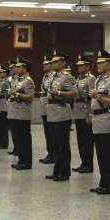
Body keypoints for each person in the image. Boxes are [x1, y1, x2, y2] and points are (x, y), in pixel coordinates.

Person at [88, 50, 110, 194]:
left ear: (109, 64)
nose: (98, 64)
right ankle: (104, 182)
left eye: (101, 62)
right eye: (98, 62)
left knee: (109, 155)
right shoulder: (99, 79)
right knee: (101, 155)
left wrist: (98, 97)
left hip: (108, 121)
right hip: (97, 121)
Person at [46, 50, 78, 181]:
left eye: (56, 61)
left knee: (62, 145)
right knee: (55, 144)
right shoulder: (54, 76)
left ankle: (64, 172)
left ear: (63, 62)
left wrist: (59, 93)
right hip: (52, 111)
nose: (53, 63)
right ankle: (57, 170)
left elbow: (74, 93)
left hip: (61, 111)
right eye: (52, 62)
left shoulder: (67, 76)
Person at [9, 57, 35, 170]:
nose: (16, 68)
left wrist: (18, 95)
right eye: (16, 66)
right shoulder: (15, 80)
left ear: (25, 69)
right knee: (17, 138)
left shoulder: (28, 80)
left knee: (24, 139)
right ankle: (21, 160)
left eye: (19, 67)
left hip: (23, 113)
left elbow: (30, 97)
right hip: (14, 112)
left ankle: (26, 162)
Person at [72, 54, 95, 174]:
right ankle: (83, 163)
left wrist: (90, 114)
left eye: (81, 65)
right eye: (78, 66)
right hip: (78, 112)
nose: (79, 67)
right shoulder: (78, 78)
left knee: (87, 140)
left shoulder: (91, 78)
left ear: (87, 66)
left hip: (86, 111)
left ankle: (89, 164)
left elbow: (91, 97)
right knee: (80, 140)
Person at [39, 55, 55, 164]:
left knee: (52, 132)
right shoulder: (45, 76)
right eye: (43, 64)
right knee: (47, 132)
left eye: (46, 64)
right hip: (45, 106)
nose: (44, 66)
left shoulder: (53, 76)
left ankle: (53, 154)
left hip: (51, 106)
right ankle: (50, 153)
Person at [0, 66, 10, 149]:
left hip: (3, 104)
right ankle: (1, 141)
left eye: (2, 72)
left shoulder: (6, 82)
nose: (0, 73)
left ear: (5, 73)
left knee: (3, 126)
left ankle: (4, 143)